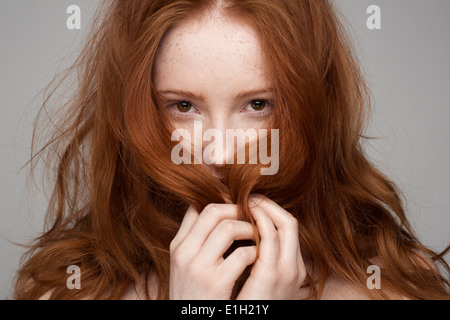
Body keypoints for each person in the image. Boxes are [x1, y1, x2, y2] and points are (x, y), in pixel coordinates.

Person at [14, 0, 449, 300]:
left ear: (313, 104)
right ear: (139, 107)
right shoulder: (70, 288)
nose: (220, 153)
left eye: (257, 105)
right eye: (183, 106)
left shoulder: (392, 285)